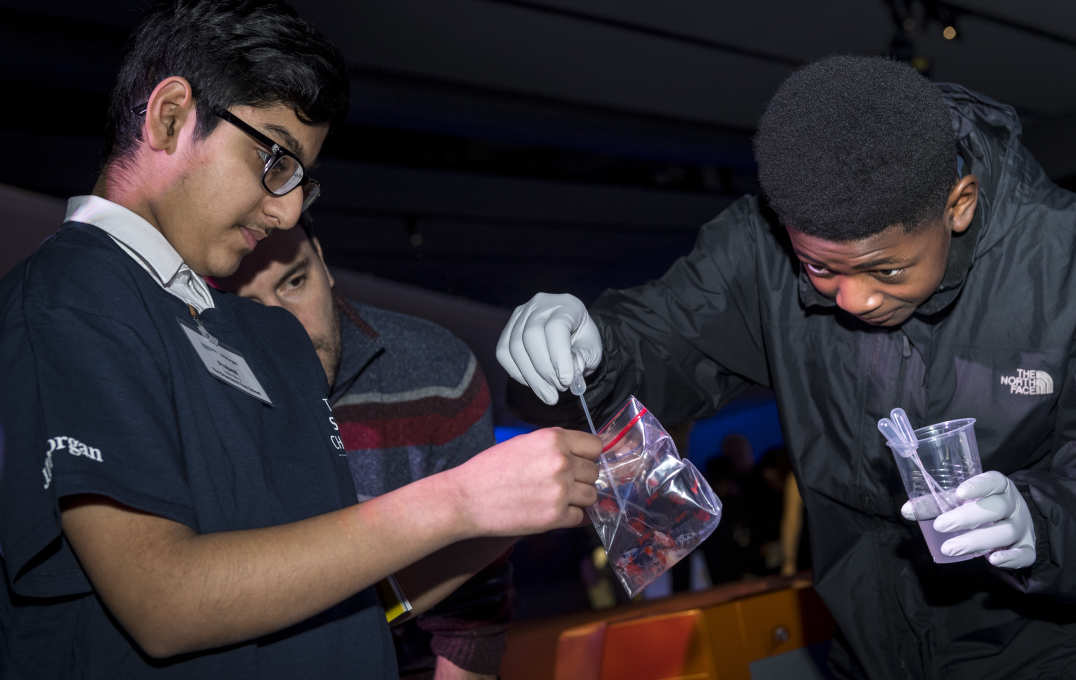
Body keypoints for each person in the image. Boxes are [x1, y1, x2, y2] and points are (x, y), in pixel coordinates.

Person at [0, 2, 601, 678]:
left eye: (298, 177)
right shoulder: (71, 299)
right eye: (274, 159)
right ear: (169, 117)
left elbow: (328, 592)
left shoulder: (250, 333)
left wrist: (494, 520)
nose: (287, 208)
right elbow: (165, 601)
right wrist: (455, 501)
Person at [496, 55, 1076, 679]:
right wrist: (591, 349)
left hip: (1039, 652)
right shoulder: (759, 252)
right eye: (820, 268)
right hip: (866, 654)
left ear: (958, 206)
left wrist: (1037, 525)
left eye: (886, 269)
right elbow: (659, 344)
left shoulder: (1061, 262)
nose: (852, 301)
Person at [216, 219, 512, 679]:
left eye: (295, 282)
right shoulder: (201, 396)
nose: (285, 328)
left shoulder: (436, 372)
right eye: (247, 306)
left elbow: (472, 616)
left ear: (324, 261)